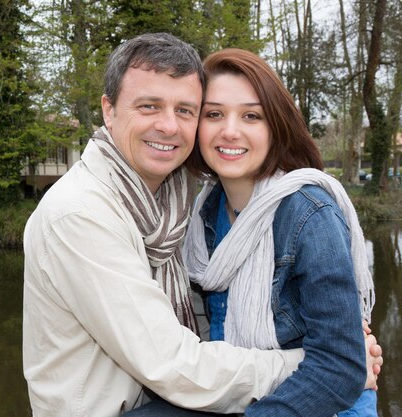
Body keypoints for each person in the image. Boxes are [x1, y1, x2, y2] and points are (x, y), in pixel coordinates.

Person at [22, 33, 381, 417]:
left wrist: (338, 365)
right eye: (148, 106)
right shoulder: (87, 214)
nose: (168, 125)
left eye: (185, 110)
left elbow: (333, 366)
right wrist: (328, 363)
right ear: (108, 110)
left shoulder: (182, 207)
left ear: (275, 125)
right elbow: (175, 363)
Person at [179, 48, 378, 416]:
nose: (230, 130)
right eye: (214, 114)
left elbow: (340, 365)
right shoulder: (203, 212)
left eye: (251, 115)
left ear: (276, 127)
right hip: (238, 393)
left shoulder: (307, 212)